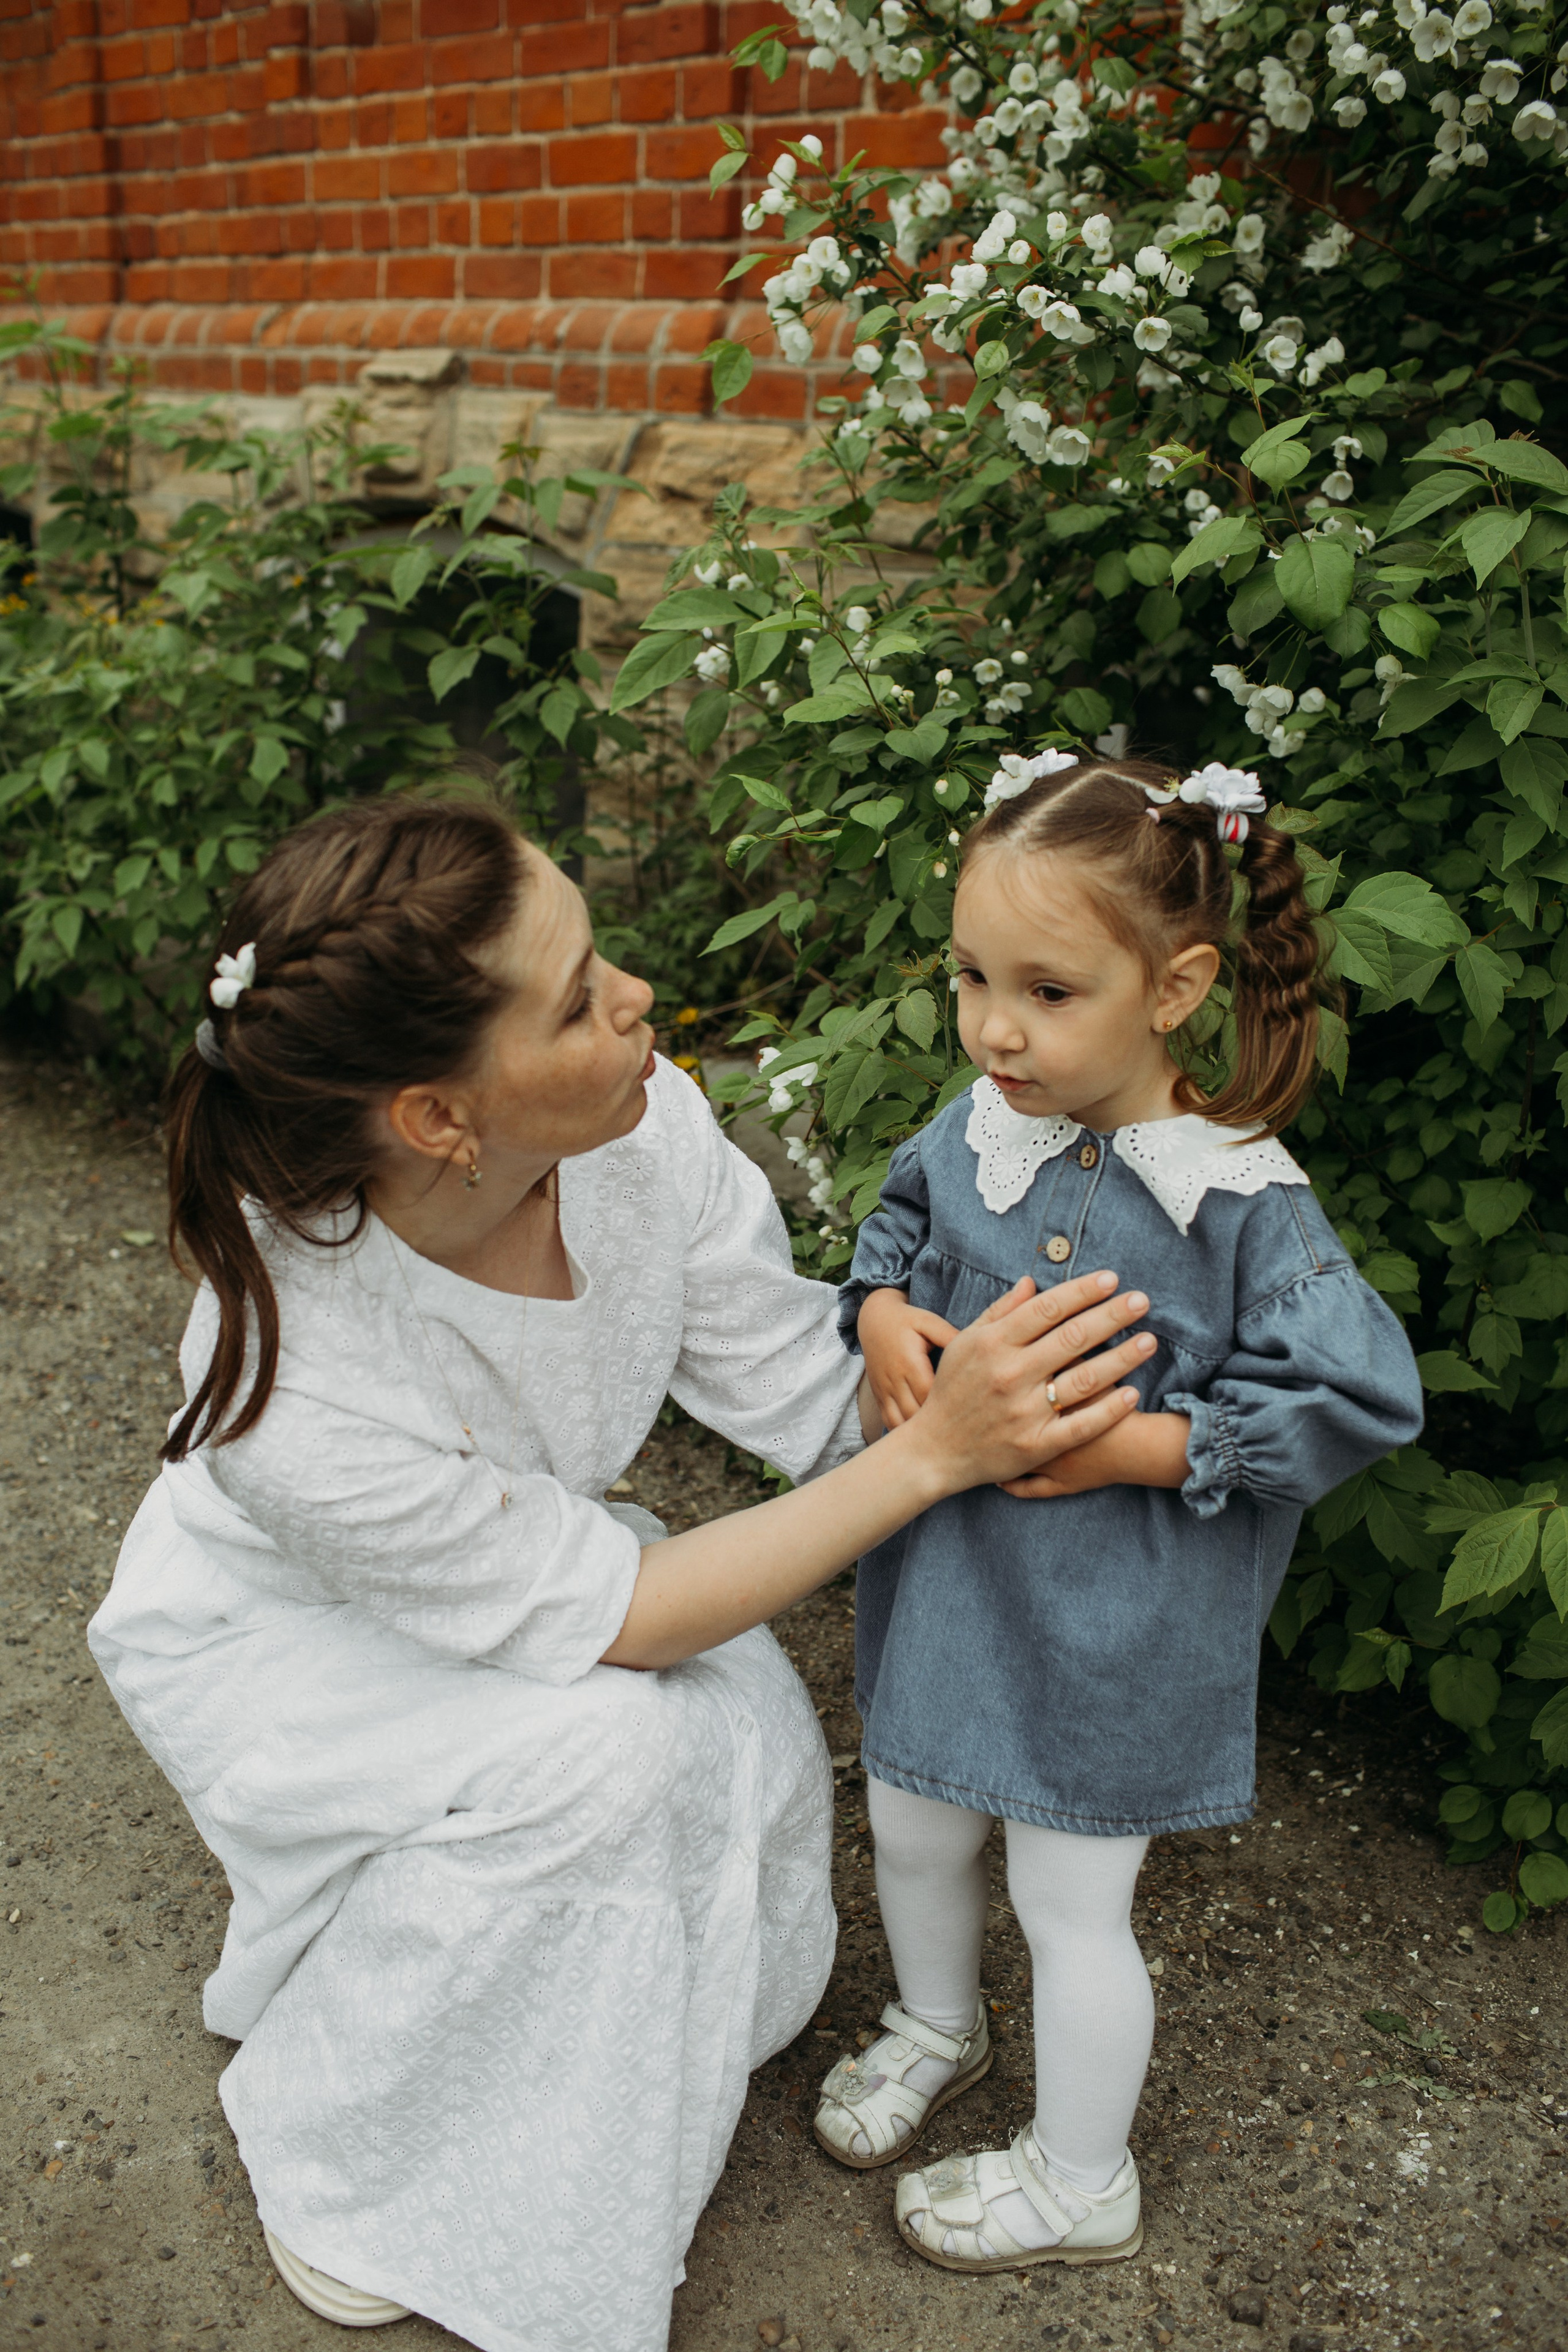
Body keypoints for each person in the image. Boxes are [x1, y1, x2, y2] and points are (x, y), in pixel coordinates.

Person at [88, 792, 1158, 2352]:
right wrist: (932, 1460)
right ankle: (372, 2148)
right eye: (580, 998)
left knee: (731, 1746)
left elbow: (785, 1377)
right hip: (299, 1642)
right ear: (442, 1118)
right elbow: (638, 1616)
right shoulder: (289, 1389)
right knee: (612, 1761)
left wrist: (898, 1348)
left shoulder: (637, 1125)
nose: (637, 998)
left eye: (605, 957)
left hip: (542, 1571)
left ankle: (577, 2048)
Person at [812, 753, 1425, 2272]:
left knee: (1066, 1889)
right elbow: (889, 1227)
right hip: (952, 1573)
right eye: (969, 977)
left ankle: (1081, 2176)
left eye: (1045, 989)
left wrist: (1135, 1450)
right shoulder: (977, 1129)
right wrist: (883, 1312)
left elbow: (1353, 1401)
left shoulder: (1234, 1200)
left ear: (1174, 986)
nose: (994, 1027)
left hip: (1114, 1625)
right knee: (906, 1813)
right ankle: (932, 2022)